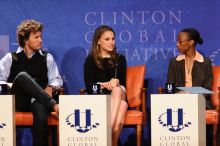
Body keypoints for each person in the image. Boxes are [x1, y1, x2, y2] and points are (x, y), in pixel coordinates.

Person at [0, 19, 63, 146]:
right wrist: (9, 87)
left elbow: (56, 79)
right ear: (25, 40)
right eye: (36, 37)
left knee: (40, 112)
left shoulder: (47, 58)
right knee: (22, 76)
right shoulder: (10, 58)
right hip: (18, 100)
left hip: (38, 100)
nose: (41, 40)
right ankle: (53, 105)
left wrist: (51, 88)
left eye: (40, 37)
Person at [167, 28, 213, 146]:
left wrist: (191, 96)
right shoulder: (174, 62)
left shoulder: (205, 62)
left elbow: (207, 89)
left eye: (180, 41)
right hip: (178, 101)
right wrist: (177, 95)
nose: (177, 44)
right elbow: (169, 86)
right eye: (177, 41)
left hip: (199, 101)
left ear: (191, 42)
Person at [84, 25, 128, 146]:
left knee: (118, 90)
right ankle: (111, 142)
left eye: (113, 39)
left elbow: (124, 85)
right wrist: (104, 85)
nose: (111, 42)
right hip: (101, 99)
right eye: (107, 39)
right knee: (123, 106)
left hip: (118, 95)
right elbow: (89, 87)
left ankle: (105, 132)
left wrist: (116, 83)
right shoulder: (90, 60)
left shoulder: (120, 59)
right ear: (98, 41)